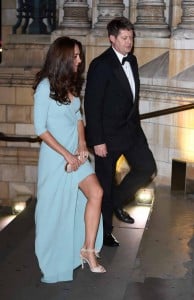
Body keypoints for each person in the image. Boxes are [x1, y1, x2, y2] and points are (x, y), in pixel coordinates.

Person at [33, 36, 106, 283]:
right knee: (54, 212)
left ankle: (88, 250)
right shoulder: (44, 87)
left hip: (76, 153)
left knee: (96, 193)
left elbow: (78, 116)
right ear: (62, 58)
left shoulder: (71, 85)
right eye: (75, 56)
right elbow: (40, 129)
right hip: (56, 159)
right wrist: (67, 154)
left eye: (79, 55)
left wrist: (82, 144)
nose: (79, 60)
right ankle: (54, 260)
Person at [84, 17, 157, 247]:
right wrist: (97, 140)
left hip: (132, 132)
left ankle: (115, 201)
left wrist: (137, 129)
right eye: (125, 38)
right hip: (107, 137)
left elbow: (132, 99)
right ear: (112, 39)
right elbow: (92, 105)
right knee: (104, 182)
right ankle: (104, 233)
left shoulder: (132, 61)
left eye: (131, 37)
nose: (129, 42)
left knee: (147, 168)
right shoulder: (101, 65)